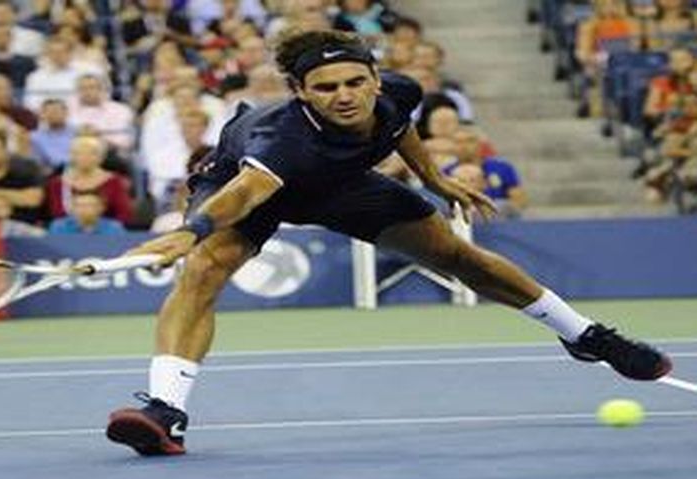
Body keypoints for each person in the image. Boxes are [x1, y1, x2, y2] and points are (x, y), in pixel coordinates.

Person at [105, 30, 673, 457]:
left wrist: (433, 177)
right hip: (243, 188)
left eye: (356, 82)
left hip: (340, 184)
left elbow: (399, 128)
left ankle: (585, 336)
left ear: (376, 80)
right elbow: (245, 194)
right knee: (204, 270)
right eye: (326, 88)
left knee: (459, 257)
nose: (345, 96)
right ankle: (165, 411)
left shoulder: (399, 93)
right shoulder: (281, 139)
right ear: (300, 92)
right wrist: (190, 231)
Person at [48, 190, 126, 235]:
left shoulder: (114, 227)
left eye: (91, 205)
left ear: (102, 208)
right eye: (80, 205)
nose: (85, 209)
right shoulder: (59, 226)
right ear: (72, 208)